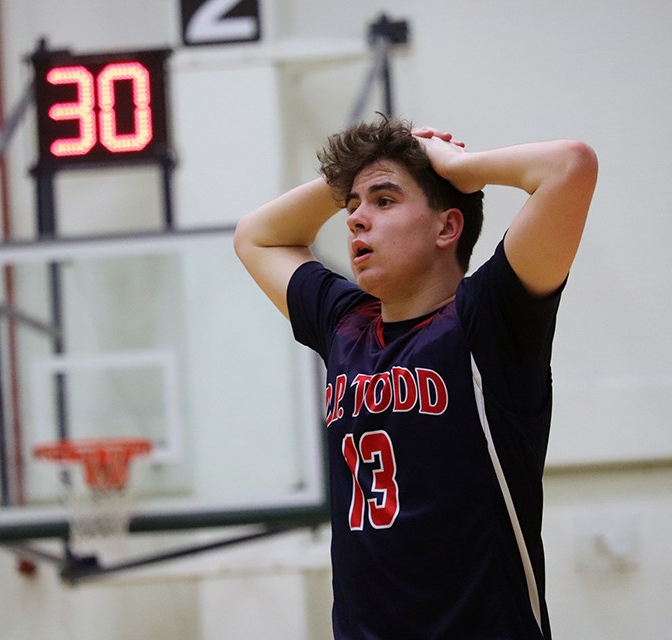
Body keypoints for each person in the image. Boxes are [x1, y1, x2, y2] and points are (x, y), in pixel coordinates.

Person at [234, 116, 597, 639]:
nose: (357, 219)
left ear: (447, 227)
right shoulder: (345, 325)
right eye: (352, 206)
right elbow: (257, 237)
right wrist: (353, 177)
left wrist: (457, 165)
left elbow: (570, 165)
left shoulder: (488, 319)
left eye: (383, 201)